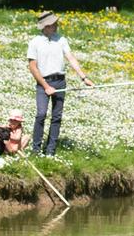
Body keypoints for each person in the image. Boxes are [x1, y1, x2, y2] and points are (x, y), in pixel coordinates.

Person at [26, 11, 94, 156]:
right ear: (46, 26)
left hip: (60, 81)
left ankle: (50, 150)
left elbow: (71, 58)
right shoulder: (35, 42)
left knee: (56, 116)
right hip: (43, 82)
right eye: (54, 24)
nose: (57, 25)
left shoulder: (61, 39)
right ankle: (36, 150)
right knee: (41, 114)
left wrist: (84, 78)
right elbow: (32, 67)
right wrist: (46, 86)